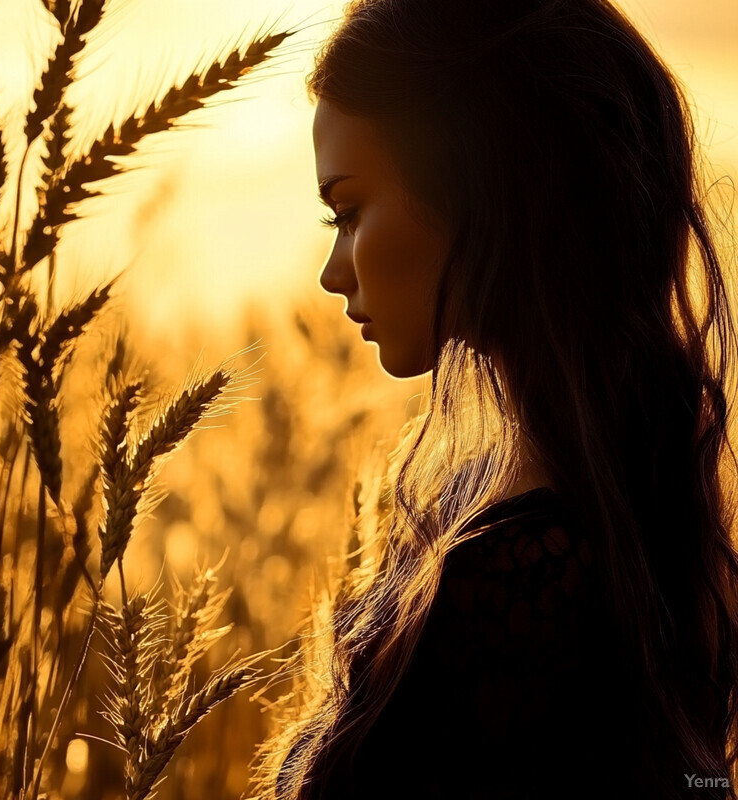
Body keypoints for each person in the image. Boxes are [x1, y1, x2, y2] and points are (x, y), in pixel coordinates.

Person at [254, 1, 738, 798]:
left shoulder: (516, 584)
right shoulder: (638, 540)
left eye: (348, 211)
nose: (333, 272)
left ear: (477, 189)